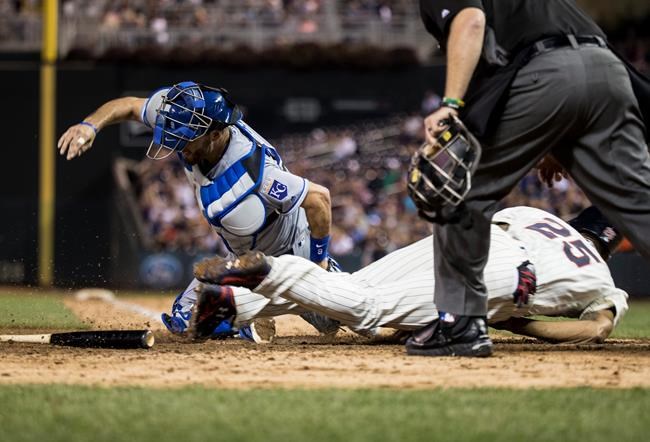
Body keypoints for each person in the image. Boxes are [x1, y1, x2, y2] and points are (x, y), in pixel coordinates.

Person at [414, 0, 650, 356]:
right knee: (639, 205)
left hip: (543, 73)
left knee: (458, 189)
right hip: (608, 70)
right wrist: (559, 137)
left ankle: (460, 322)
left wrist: (451, 103)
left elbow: (471, 21)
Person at [57, 81, 340, 341]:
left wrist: (320, 263)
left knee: (332, 321)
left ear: (215, 135)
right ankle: (243, 316)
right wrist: (90, 126)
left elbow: (319, 198)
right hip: (245, 259)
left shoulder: (256, 171)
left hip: (292, 253)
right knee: (185, 322)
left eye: (185, 138)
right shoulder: (184, 116)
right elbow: (129, 105)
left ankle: (248, 311)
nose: (175, 143)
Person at [189, 206, 628, 345]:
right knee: (371, 310)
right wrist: (511, 321)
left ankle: (229, 307)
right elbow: (595, 330)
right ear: (610, 244)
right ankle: (273, 269)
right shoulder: (602, 277)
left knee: (352, 288)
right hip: (508, 275)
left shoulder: (540, 214)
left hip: (469, 238)